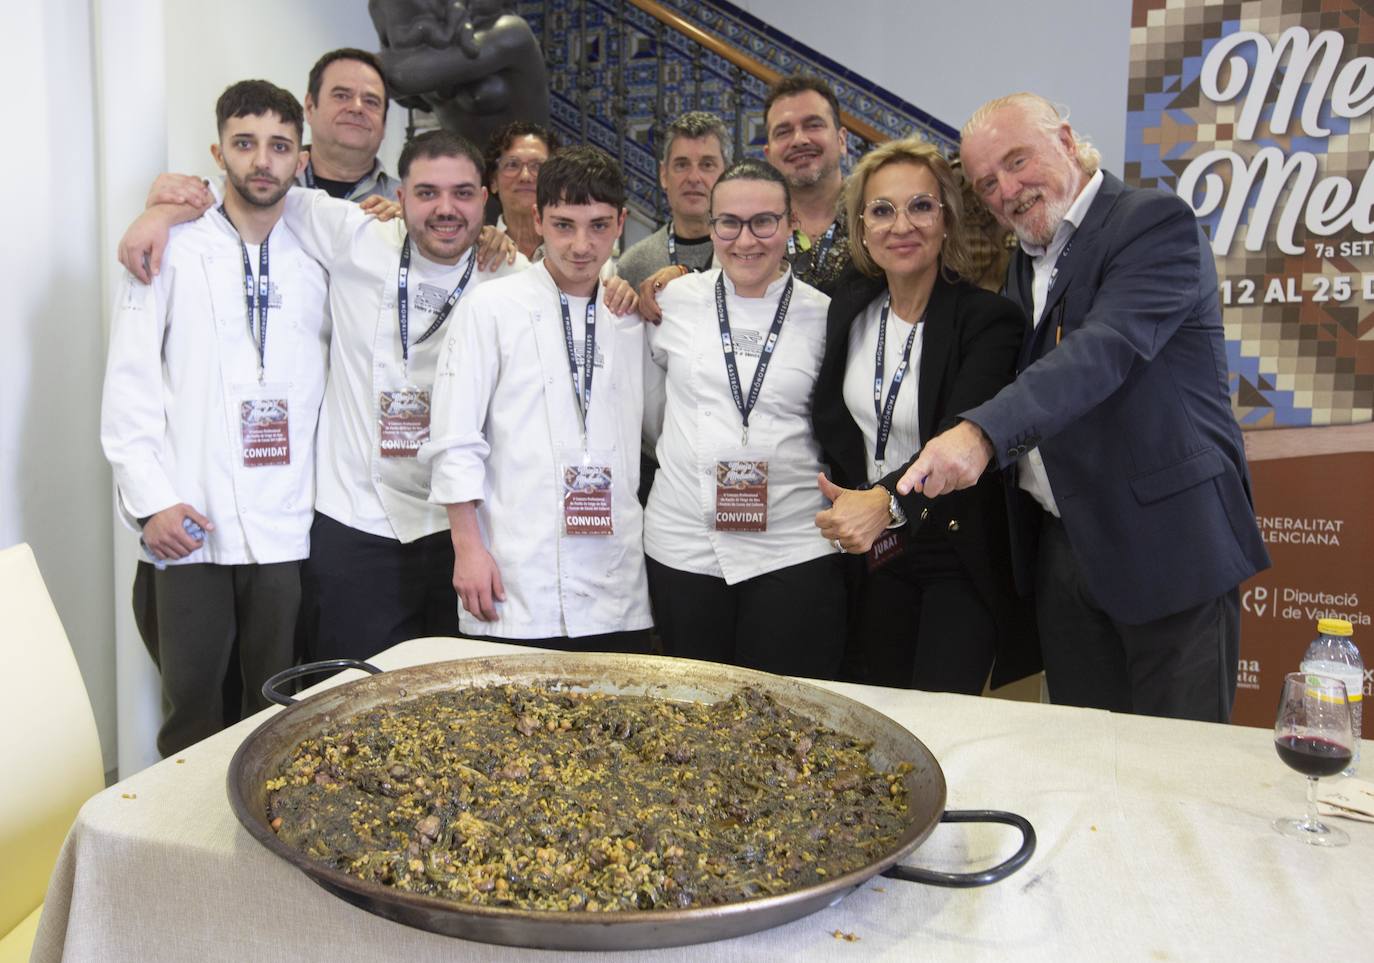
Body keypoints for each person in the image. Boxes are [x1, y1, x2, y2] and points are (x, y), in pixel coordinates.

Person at [901, 92, 1270, 721]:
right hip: (1065, 553)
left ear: (1067, 141)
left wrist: (981, 434)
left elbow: (1101, 352)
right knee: (1090, 764)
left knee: (1179, 769)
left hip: (1166, 544)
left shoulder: (1152, 223)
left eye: (1019, 162)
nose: (1008, 189)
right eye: (987, 182)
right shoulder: (1025, 262)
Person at [101, 80, 329, 756]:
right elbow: (131, 383)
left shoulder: (319, 252)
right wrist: (153, 503)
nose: (263, 160)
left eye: (279, 146)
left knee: (277, 714)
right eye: (245, 143)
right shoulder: (172, 248)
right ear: (217, 152)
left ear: (302, 157)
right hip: (190, 522)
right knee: (193, 710)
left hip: (287, 525)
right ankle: (183, 859)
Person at [810, 138, 1037, 693]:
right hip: (870, 553)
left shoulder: (990, 323)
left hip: (953, 553)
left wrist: (883, 500)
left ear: (946, 221)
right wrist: (670, 278)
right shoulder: (849, 305)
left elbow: (957, 442)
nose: (901, 224)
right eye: (882, 210)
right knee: (881, 716)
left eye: (920, 206)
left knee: (941, 728)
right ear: (862, 226)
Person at [423, 146, 652, 650]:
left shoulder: (629, 314)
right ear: (538, 219)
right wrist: (467, 549)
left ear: (621, 224)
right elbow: (454, 439)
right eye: (564, 224)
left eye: (597, 225)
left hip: (615, 576)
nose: (580, 244)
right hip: (515, 570)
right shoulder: (490, 307)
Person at [642, 160, 844, 678]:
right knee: (695, 711)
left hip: (791, 541)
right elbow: (646, 405)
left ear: (791, 222)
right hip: (684, 541)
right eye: (729, 222)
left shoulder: (826, 315)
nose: (745, 239)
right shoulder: (670, 300)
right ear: (710, 227)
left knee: (785, 710)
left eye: (763, 222)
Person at [637, 75, 850, 321]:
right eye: (783, 131)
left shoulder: (876, 220)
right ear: (768, 153)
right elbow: (720, 292)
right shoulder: (746, 228)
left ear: (841, 140)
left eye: (813, 125)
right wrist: (680, 275)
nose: (799, 140)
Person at [618, 111, 728, 291]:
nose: (693, 178)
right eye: (682, 165)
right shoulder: (633, 265)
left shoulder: (747, 255)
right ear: (663, 175)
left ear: (726, 175)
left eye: (707, 165)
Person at [300, 48, 398, 201]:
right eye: (342, 96)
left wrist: (404, 223)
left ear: (384, 123)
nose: (357, 108)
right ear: (310, 107)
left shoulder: (405, 208)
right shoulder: (269, 188)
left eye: (371, 102)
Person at [483, 120, 558, 260]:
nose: (525, 176)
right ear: (493, 181)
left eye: (537, 166)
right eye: (512, 164)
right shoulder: (476, 249)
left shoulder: (580, 251)